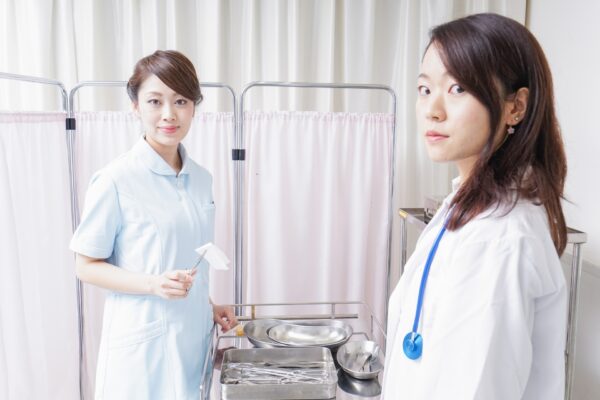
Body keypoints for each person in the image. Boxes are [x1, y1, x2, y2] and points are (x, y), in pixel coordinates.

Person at [383, 13, 568, 399]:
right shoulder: (468, 207)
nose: (433, 110)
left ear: (516, 107)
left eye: (458, 88)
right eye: (424, 89)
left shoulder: (500, 238)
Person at [71, 50, 237, 400]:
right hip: (142, 350)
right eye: (155, 101)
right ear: (135, 106)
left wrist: (208, 306)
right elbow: (85, 266)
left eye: (181, 101)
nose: (169, 114)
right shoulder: (115, 180)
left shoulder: (202, 179)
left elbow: (184, 256)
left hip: (192, 342)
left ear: (194, 107)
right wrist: (152, 284)